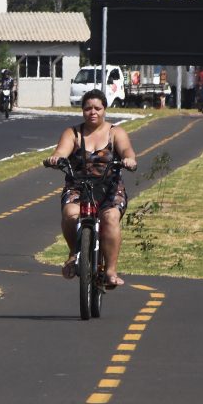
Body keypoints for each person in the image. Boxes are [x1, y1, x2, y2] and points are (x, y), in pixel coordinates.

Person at [46, 89, 137, 288]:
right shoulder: (73, 133)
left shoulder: (116, 132)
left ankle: (111, 270)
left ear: (105, 110)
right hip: (78, 187)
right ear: (82, 111)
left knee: (110, 218)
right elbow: (61, 150)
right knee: (70, 213)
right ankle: (73, 254)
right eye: (88, 108)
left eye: (97, 108)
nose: (93, 112)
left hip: (109, 189)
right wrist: (56, 158)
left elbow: (126, 150)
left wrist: (129, 159)